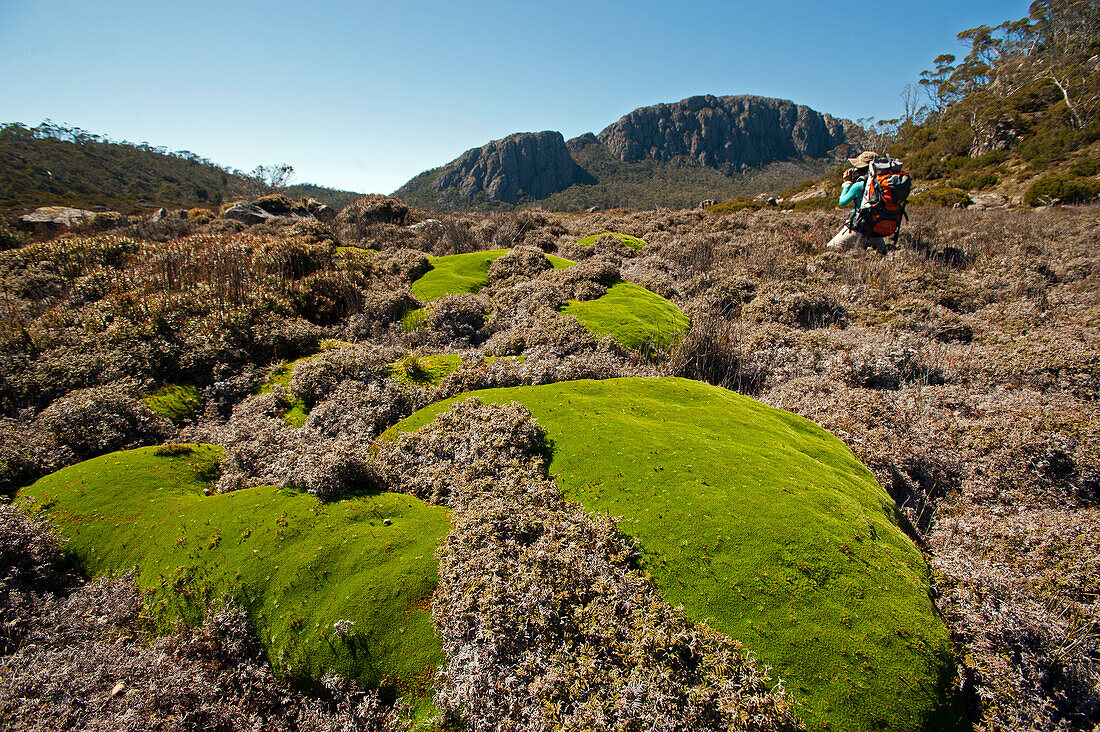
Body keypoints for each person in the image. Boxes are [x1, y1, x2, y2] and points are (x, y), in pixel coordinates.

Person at [827, 150, 889, 253]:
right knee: (882, 253)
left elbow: (842, 201)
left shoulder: (859, 185)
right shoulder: (882, 183)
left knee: (831, 248)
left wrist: (847, 182)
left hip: (860, 227)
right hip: (877, 229)